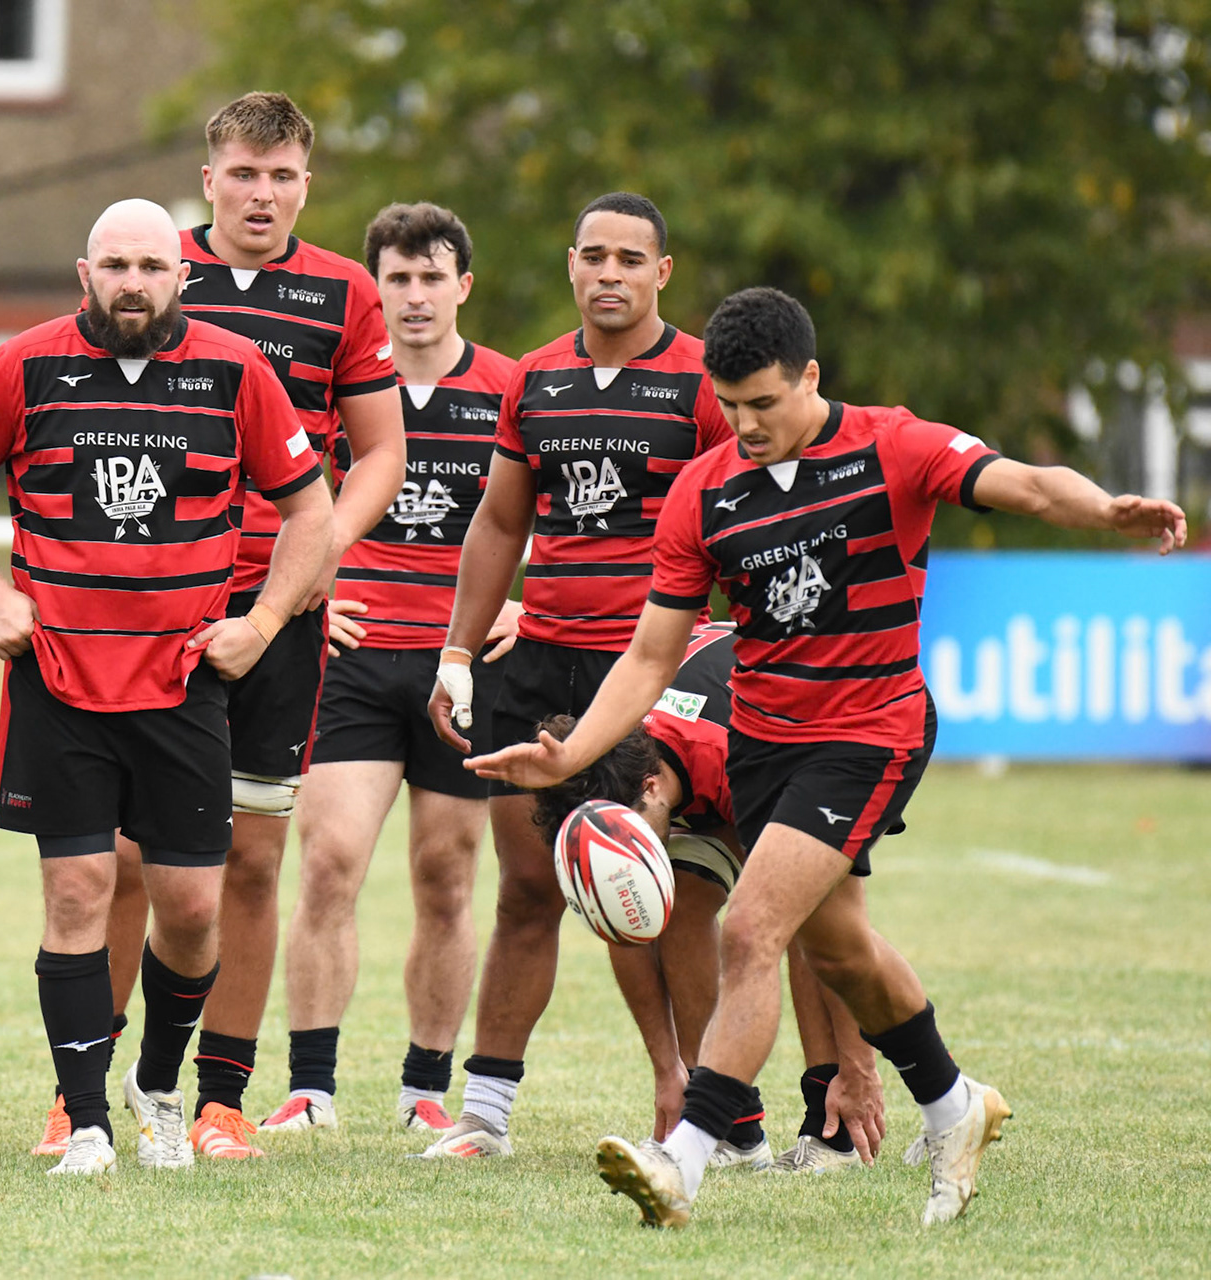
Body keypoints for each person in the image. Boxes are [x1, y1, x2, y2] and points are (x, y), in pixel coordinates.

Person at [468, 286, 1186, 1226]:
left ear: (811, 376)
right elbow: (650, 656)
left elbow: (1030, 483)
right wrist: (570, 761)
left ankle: (686, 1159)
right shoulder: (705, 491)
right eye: (729, 406)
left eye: (765, 402)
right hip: (764, 738)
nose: (746, 424)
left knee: (750, 928)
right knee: (839, 950)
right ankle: (953, 1104)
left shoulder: (893, 444)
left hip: (871, 726)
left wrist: (1107, 512)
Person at [0, 199, 333, 1176]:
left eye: (150, 264)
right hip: (60, 678)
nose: (131, 281)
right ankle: (87, 1120)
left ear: (183, 274)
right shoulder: (24, 365)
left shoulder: (236, 369)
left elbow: (311, 510)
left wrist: (260, 624)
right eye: (114, 265)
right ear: (82, 272)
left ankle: (157, 1083)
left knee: (188, 909)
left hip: (184, 683)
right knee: (77, 894)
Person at [86, 90, 402, 1161]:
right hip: (154, 607)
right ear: (209, 177)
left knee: (255, 861)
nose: (262, 193)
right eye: (244, 172)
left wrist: (314, 558)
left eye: (283, 175)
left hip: (278, 616)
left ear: (305, 184)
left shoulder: (344, 293)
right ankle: (84, 1085)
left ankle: (218, 1098)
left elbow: (380, 457)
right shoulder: (143, 265)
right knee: (129, 857)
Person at [419, 192, 731, 1158]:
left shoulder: (700, 384)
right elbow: (501, 525)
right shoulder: (538, 379)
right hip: (541, 661)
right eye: (593, 256)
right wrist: (459, 652)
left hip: (650, 669)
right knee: (527, 890)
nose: (609, 273)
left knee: (644, 887)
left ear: (661, 273)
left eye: (630, 259)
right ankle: (487, 1117)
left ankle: (695, 1097)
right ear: (569, 264)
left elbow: (741, 513)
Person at [260, 203, 519, 1139]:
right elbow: (277, 506)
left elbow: (553, 517)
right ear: (373, 287)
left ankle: (421, 1088)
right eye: (397, 279)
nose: (414, 296)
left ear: (463, 286)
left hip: (462, 665)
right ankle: (311, 1090)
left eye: (431, 276)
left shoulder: (509, 389)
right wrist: (296, 602)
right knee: (327, 862)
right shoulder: (334, 392)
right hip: (353, 658)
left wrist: (521, 602)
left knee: (446, 876)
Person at [528, 622, 886, 1171]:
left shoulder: (733, 755)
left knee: (805, 916)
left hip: (851, 718)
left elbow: (840, 912)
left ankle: (837, 1129)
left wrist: (858, 1067)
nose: (626, 856)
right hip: (714, 752)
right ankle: (729, 1125)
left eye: (629, 838)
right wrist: (667, 1069)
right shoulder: (620, 759)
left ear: (649, 789)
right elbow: (627, 925)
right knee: (680, 905)